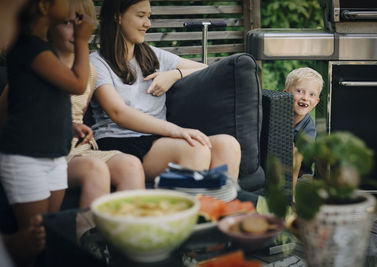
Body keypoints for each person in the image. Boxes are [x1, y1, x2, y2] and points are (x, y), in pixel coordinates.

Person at [89, 0, 241, 182]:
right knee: (195, 149)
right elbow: (118, 112)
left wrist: (175, 74)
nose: (148, 23)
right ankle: (184, 208)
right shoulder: (97, 62)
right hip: (119, 141)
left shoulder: (154, 56)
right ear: (117, 16)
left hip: (158, 140)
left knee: (228, 145)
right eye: (140, 16)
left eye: (149, 16)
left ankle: (219, 208)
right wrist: (176, 131)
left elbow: (207, 69)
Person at [0, 0, 94, 265]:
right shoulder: (30, 48)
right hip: (25, 158)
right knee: (34, 240)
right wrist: (83, 41)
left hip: (52, 156)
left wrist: (68, 126)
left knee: (51, 235)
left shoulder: (45, 50)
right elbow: (77, 84)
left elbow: (36, 102)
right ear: (44, 6)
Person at [48, 0, 145, 210]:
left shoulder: (89, 71)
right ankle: (88, 240)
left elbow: (77, 113)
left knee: (131, 165)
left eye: (83, 24)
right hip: (47, 152)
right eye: (67, 22)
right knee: (95, 169)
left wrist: (78, 129)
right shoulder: (39, 64)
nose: (77, 31)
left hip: (78, 150)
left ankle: (127, 237)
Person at [283, 67, 323, 190]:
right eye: (300, 91)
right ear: (286, 94)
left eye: (312, 94)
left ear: (316, 102)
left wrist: (291, 192)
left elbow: (298, 158)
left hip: (300, 174)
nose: (305, 98)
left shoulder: (308, 127)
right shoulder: (277, 115)